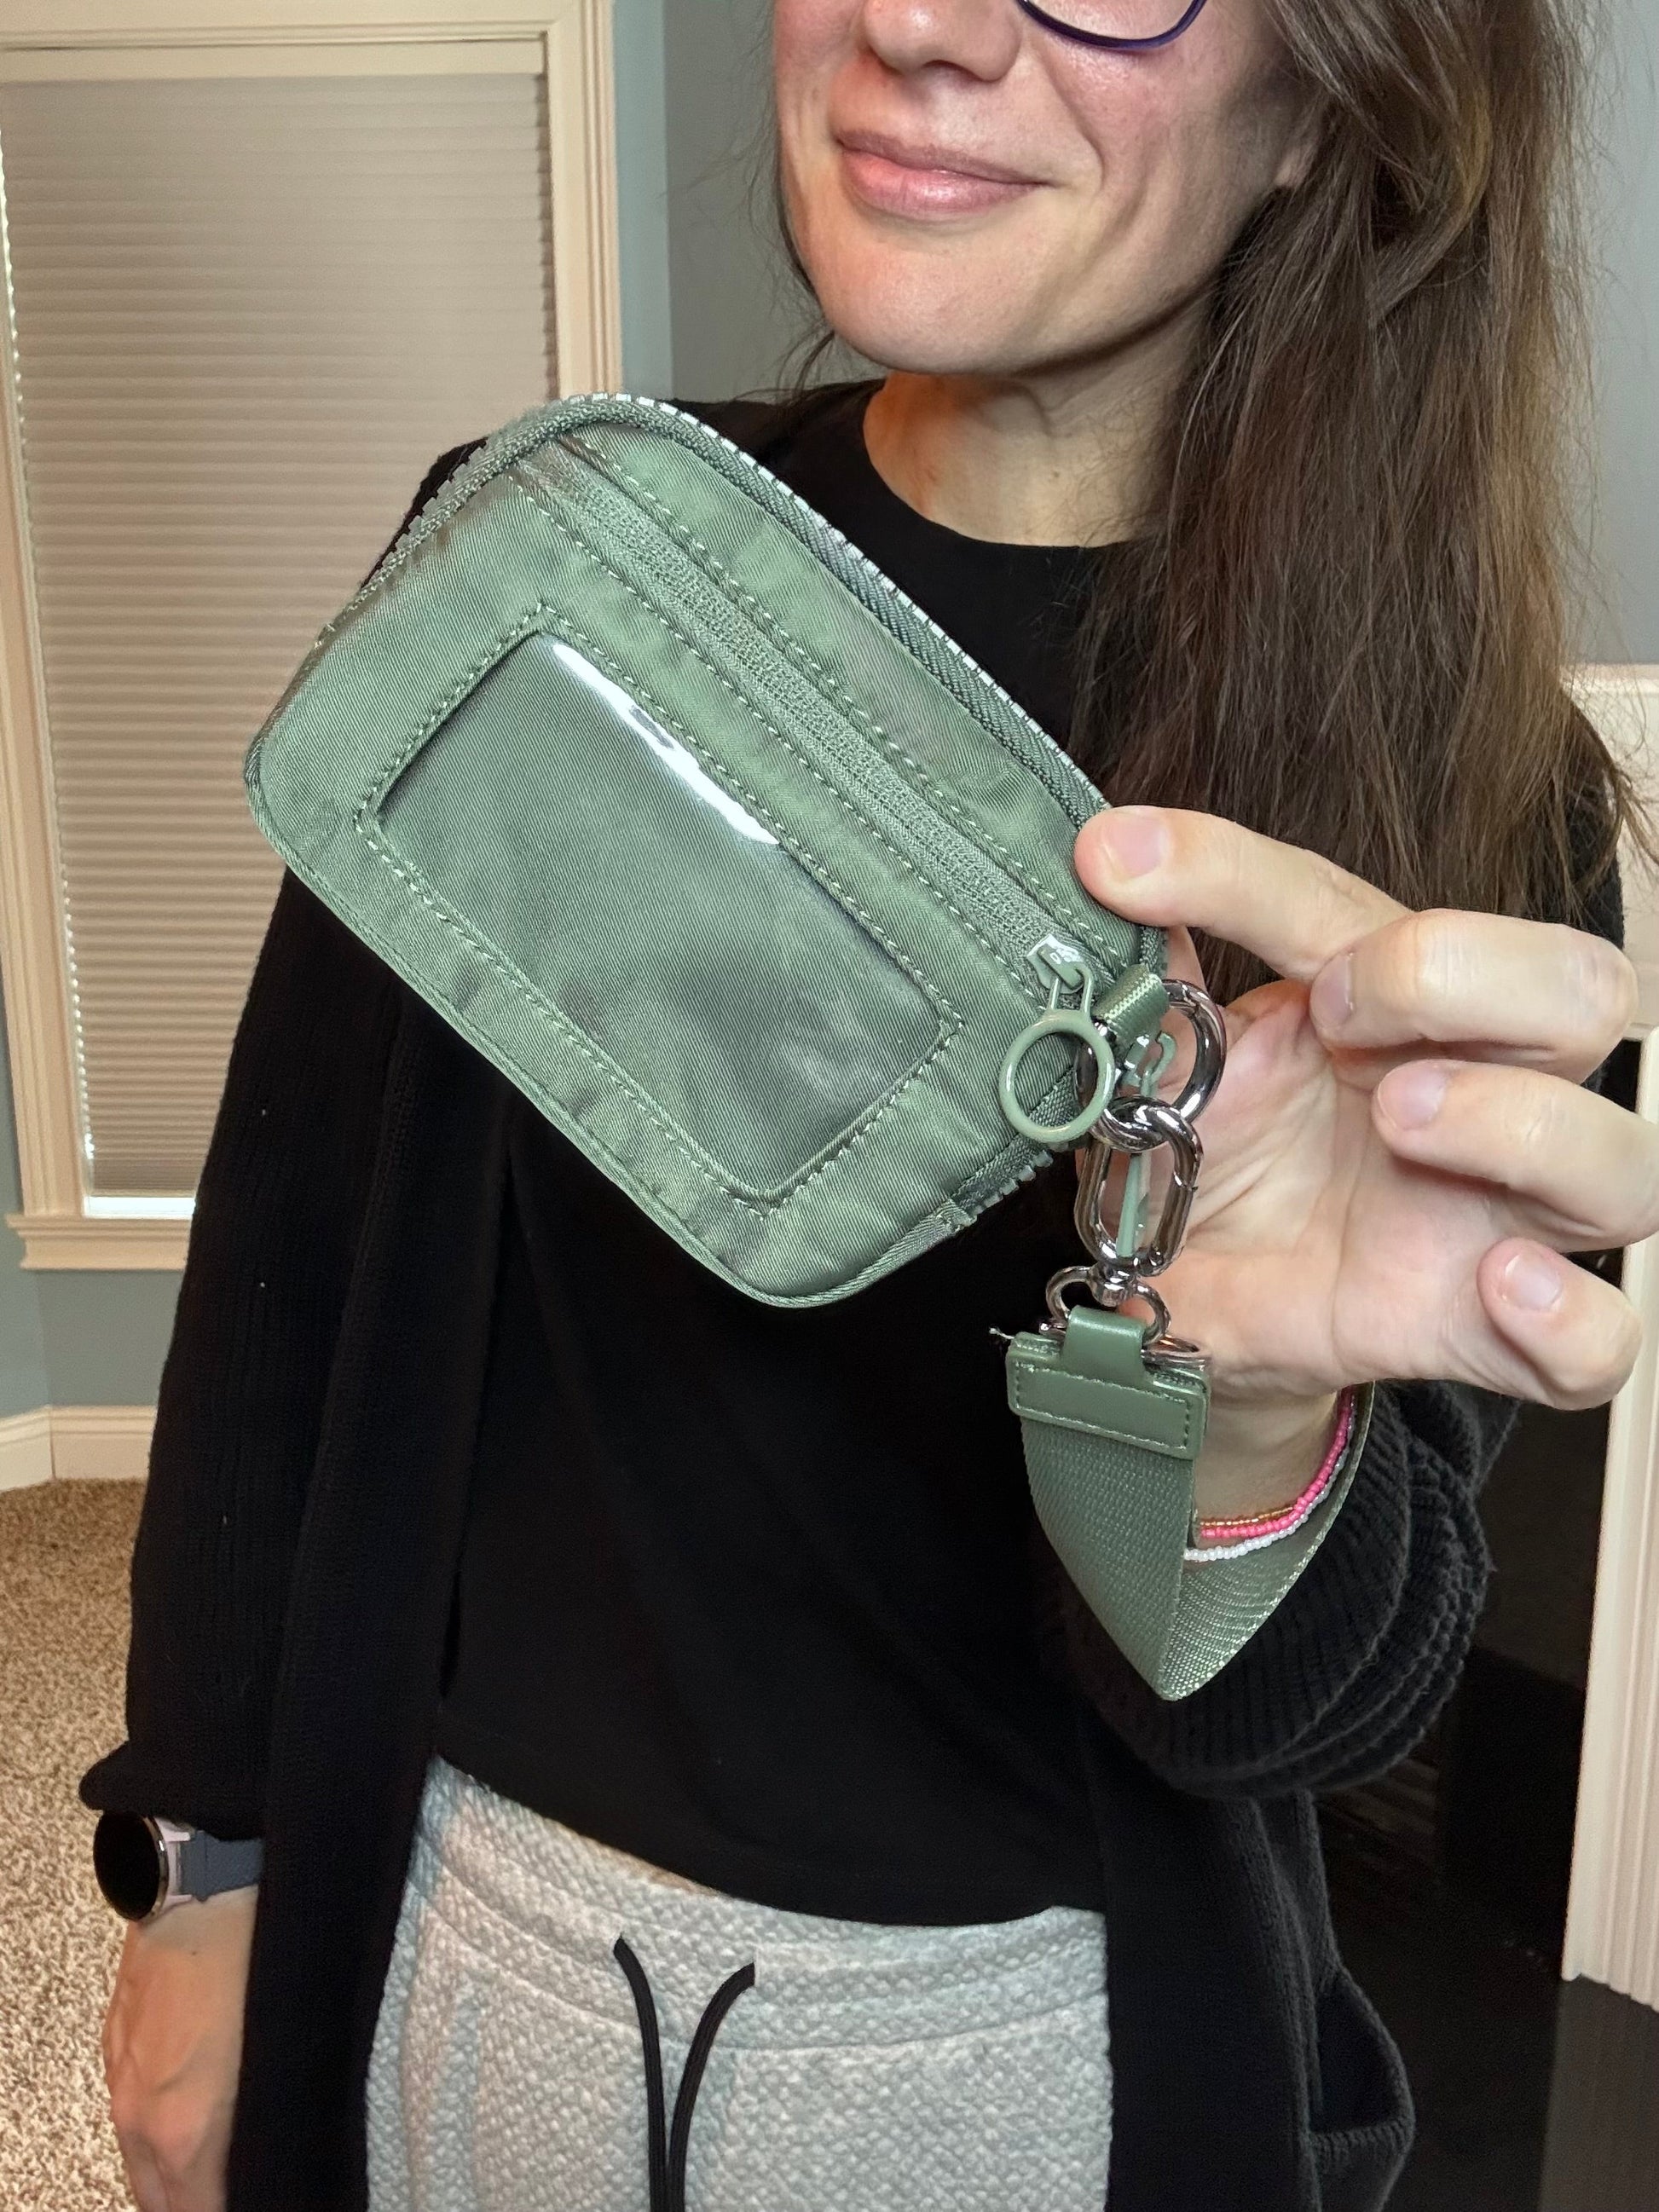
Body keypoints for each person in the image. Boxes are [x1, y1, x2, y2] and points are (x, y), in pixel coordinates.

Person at [84, 1, 1658, 2208]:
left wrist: (1237, 1419)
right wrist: (214, 1859)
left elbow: (1280, 1716)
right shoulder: (557, 562)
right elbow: (289, 1272)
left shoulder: (1463, 813)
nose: (919, 27)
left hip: (1026, 2075)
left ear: (1325, 100)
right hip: (446, 1959)